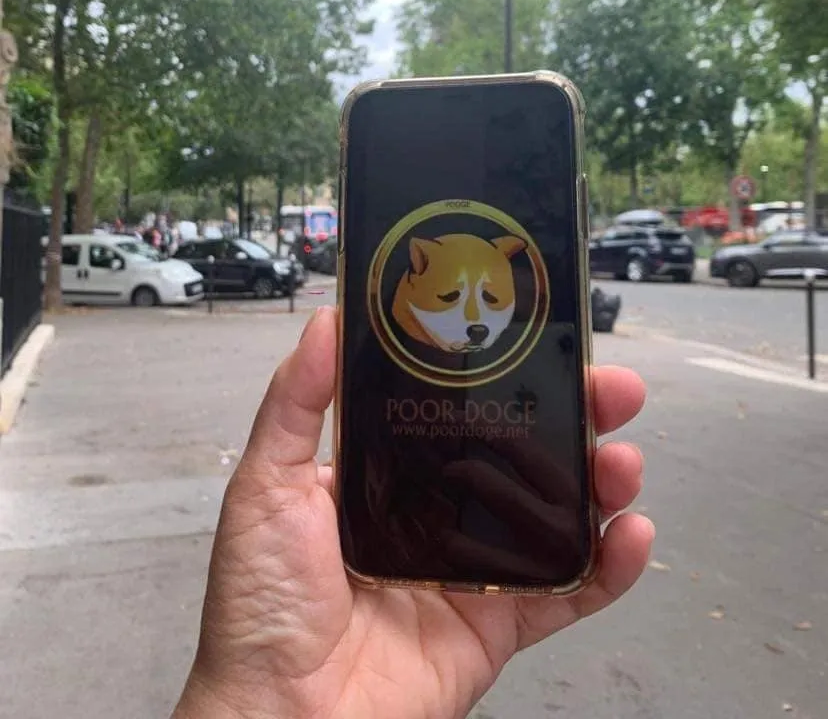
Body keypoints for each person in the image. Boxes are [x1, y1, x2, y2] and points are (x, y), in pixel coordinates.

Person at [172, 307, 653, 719]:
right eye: (442, 341)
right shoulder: (372, 509)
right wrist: (267, 696)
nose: (470, 364)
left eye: (510, 333)